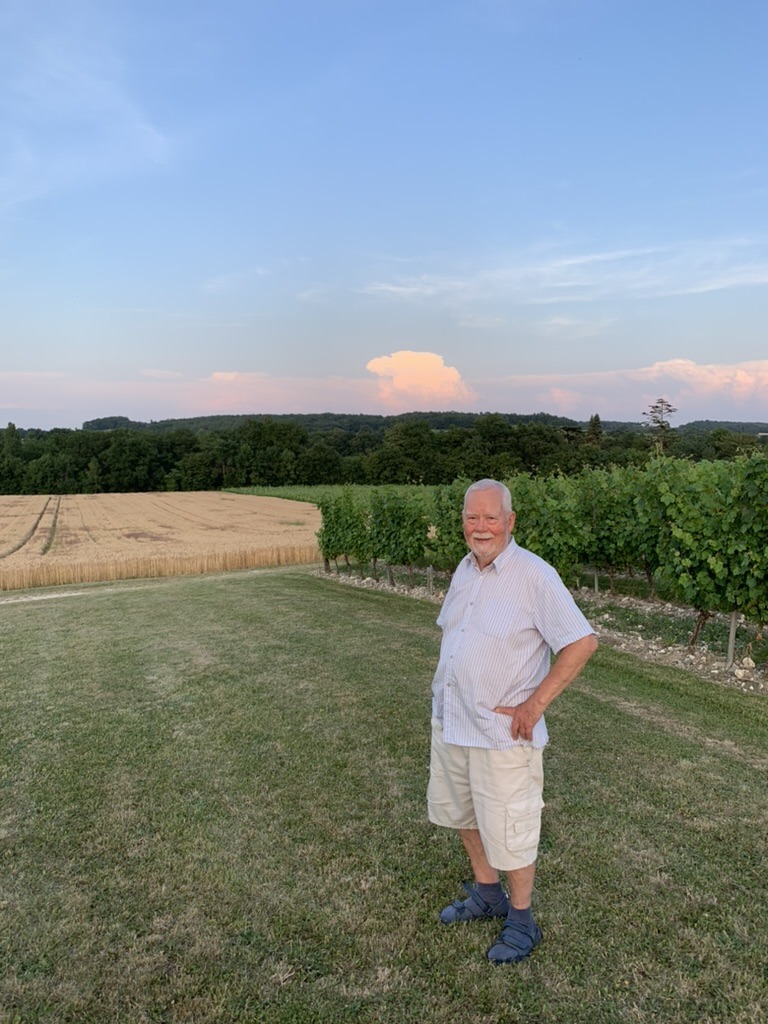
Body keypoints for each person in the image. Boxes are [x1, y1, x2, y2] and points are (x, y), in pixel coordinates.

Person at [428, 478, 598, 964]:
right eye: (471, 517)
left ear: (510, 521)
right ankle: (487, 893)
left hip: (502, 735)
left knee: (512, 826)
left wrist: (534, 705)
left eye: (489, 517)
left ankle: (521, 920)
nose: (480, 527)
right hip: (452, 722)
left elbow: (581, 643)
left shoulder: (535, 576)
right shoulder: (465, 570)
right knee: (462, 814)